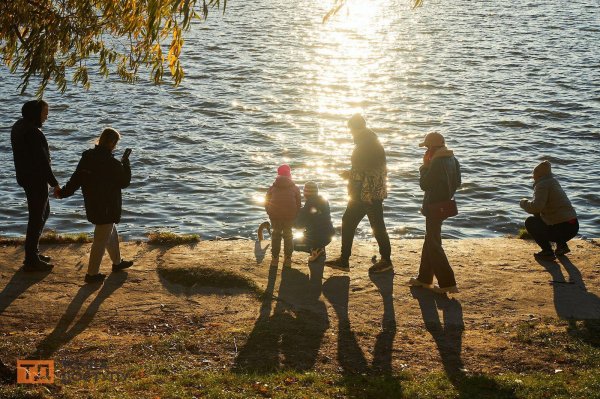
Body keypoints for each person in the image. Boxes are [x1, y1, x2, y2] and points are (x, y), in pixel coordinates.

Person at [59, 128, 134, 283]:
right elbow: (124, 182)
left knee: (110, 232)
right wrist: (125, 163)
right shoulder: (112, 163)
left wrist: (63, 193)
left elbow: (76, 179)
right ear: (112, 143)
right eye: (116, 143)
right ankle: (91, 274)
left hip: (93, 203)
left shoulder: (87, 157)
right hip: (107, 207)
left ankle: (117, 263)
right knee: (100, 240)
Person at [325, 114, 392, 273]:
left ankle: (385, 260)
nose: (350, 133)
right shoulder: (371, 142)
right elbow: (367, 169)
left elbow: (367, 172)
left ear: (356, 128)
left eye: (351, 129)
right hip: (369, 192)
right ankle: (345, 259)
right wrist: (350, 174)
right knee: (356, 222)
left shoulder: (365, 145)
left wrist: (355, 182)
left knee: (374, 225)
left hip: (366, 193)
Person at [10, 99, 60, 271]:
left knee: (42, 214)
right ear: (35, 114)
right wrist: (54, 183)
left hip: (25, 177)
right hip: (36, 180)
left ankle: (33, 252)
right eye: (44, 113)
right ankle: (31, 259)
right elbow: (42, 162)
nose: (46, 116)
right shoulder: (34, 133)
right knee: (37, 217)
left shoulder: (19, 126)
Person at [408, 131, 461, 294]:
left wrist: (424, 166)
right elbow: (458, 183)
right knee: (430, 240)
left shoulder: (437, 162)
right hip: (445, 205)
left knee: (434, 243)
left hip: (434, 206)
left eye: (426, 148)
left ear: (432, 147)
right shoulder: (453, 159)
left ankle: (448, 283)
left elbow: (424, 184)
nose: (425, 152)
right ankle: (424, 278)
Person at [519, 160, 578, 260]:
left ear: (538, 174)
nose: (532, 177)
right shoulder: (553, 182)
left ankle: (547, 251)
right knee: (540, 215)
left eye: (533, 174)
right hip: (573, 226)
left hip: (562, 229)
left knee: (530, 222)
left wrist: (523, 202)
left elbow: (536, 207)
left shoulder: (542, 185)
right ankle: (561, 246)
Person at [265, 164, 301, 268]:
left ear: (278, 175)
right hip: (290, 215)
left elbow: (266, 202)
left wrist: (269, 212)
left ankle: (275, 258)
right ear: (289, 175)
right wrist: (295, 214)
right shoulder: (295, 188)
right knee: (288, 235)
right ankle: (288, 258)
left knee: (276, 235)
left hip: (275, 215)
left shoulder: (272, 187)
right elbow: (298, 204)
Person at [294, 182, 335, 262]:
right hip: (329, 235)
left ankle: (314, 250)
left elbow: (299, 225)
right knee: (317, 229)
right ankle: (320, 248)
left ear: (305, 194)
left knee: (293, 244)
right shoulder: (324, 201)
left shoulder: (308, 205)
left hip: (316, 238)